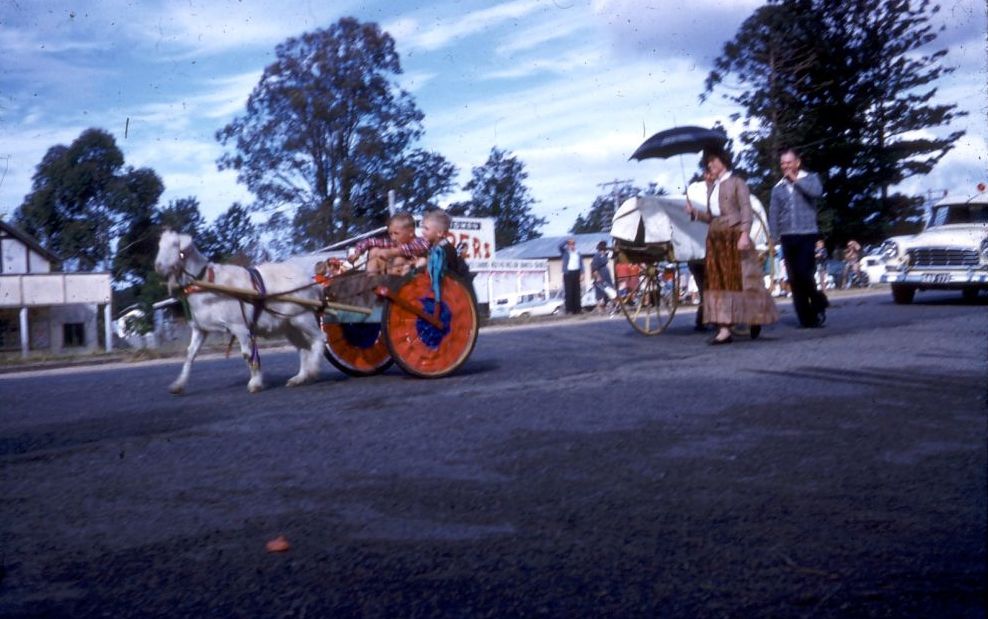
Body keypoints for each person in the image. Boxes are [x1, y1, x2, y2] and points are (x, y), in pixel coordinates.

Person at [685, 148, 778, 344]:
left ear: (724, 161)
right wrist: (695, 213)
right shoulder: (712, 187)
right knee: (718, 282)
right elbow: (711, 217)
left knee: (744, 280)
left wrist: (744, 234)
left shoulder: (737, 183)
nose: (710, 165)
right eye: (708, 162)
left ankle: (755, 317)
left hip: (734, 236)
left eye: (713, 160)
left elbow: (746, 210)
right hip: (716, 238)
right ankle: (724, 330)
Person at [769, 148, 829, 328]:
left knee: (805, 273)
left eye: (788, 162)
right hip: (787, 237)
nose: (785, 166)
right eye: (782, 163)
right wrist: (773, 237)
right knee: (794, 279)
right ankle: (806, 318)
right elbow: (774, 214)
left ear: (797, 163)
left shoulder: (810, 178)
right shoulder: (778, 188)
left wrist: (796, 180)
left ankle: (819, 301)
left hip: (807, 234)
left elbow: (817, 192)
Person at [348, 211, 430, 275]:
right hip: (392, 273)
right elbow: (369, 241)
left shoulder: (420, 241)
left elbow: (420, 247)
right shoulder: (395, 242)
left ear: (411, 232)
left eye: (396, 233)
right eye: (390, 234)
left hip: (413, 274)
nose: (393, 238)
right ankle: (372, 283)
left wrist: (392, 252)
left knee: (399, 260)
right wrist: (357, 253)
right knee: (374, 254)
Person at [685, 168, 716, 331]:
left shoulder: (720, 189)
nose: (710, 176)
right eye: (708, 173)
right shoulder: (696, 191)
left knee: (708, 286)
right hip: (696, 246)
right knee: (705, 285)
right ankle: (705, 318)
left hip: (711, 245)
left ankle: (704, 318)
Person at [558, 238, 583, 314]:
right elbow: (559, 247)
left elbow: (581, 264)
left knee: (577, 291)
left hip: (577, 272)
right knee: (569, 292)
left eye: (573, 244)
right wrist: (566, 241)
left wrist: (582, 273)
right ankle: (569, 309)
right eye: (570, 244)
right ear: (568, 245)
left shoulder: (578, 252)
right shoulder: (565, 252)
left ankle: (577, 309)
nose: (572, 246)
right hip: (568, 273)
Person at [590, 241, 616, 313]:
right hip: (600, 274)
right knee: (600, 292)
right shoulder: (597, 256)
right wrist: (597, 276)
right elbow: (594, 267)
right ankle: (600, 309)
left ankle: (610, 306)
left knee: (609, 290)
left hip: (606, 275)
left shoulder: (604, 255)